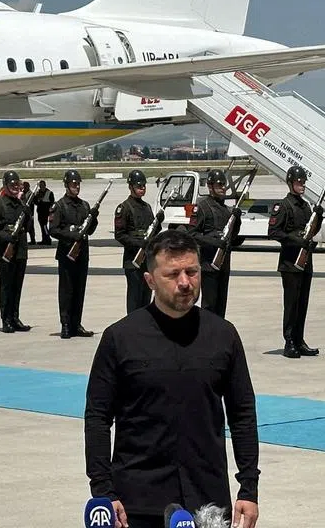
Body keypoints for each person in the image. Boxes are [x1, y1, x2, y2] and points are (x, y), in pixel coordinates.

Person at [84, 229, 259, 528]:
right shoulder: (120, 338)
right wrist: (103, 491)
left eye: (192, 272)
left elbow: (242, 414)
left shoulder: (223, 335)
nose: (185, 282)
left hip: (207, 501)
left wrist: (248, 488)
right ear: (150, 280)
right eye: (173, 274)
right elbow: (98, 418)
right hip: (138, 500)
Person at [266, 165, 322, 358]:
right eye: (299, 182)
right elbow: (273, 232)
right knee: (291, 304)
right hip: (290, 263)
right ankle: (289, 341)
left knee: (302, 303)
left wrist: (319, 216)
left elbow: (311, 231)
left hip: (305, 261)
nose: (302, 185)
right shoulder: (283, 206)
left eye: (304, 182)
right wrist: (295, 239)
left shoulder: (305, 206)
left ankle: (299, 340)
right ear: (290, 183)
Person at [48, 169, 97, 338]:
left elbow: (90, 231)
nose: (76, 187)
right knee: (66, 290)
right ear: (66, 185)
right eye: (73, 184)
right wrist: (71, 236)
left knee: (79, 290)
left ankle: (77, 324)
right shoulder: (59, 206)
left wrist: (94, 218)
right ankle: (66, 324)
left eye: (78, 184)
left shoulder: (84, 205)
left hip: (82, 254)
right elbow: (53, 230)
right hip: (67, 254)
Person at [185, 168, 240, 318]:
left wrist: (237, 220)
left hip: (224, 263)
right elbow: (192, 234)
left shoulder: (226, 210)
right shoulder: (202, 208)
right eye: (219, 184)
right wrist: (213, 242)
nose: (223, 188)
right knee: (209, 305)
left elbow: (233, 236)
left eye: (224, 184)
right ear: (210, 187)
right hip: (209, 263)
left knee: (221, 304)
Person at [0, 170, 33, 333]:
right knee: (6, 286)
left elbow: (27, 228)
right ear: (5, 186)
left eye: (17, 184)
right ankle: (6, 319)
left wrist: (28, 215)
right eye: (12, 185)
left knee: (17, 286)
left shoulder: (22, 205)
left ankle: (15, 317)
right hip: (4, 251)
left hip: (20, 251)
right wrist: (6, 237)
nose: (15, 187)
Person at [114, 168, 154, 313]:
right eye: (139, 186)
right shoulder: (124, 208)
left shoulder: (147, 207)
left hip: (146, 261)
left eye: (144, 185)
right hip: (133, 260)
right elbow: (120, 235)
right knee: (135, 298)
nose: (142, 188)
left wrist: (157, 225)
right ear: (131, 187)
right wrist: (138, 244)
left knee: (146, 298)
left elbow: (152, 231)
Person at [35, 180, 55, 245]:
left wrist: (50, 212)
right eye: (40, 186)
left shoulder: (49, 193)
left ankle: (47, 239)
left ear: (45, 185)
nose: (41, 187)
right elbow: (35, 202)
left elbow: (52, 203)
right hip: (40, 212)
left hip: (45, 213)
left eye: (42, 185)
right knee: (42, 227)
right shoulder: (38, 193)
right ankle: (44, 239)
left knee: (44, 226)